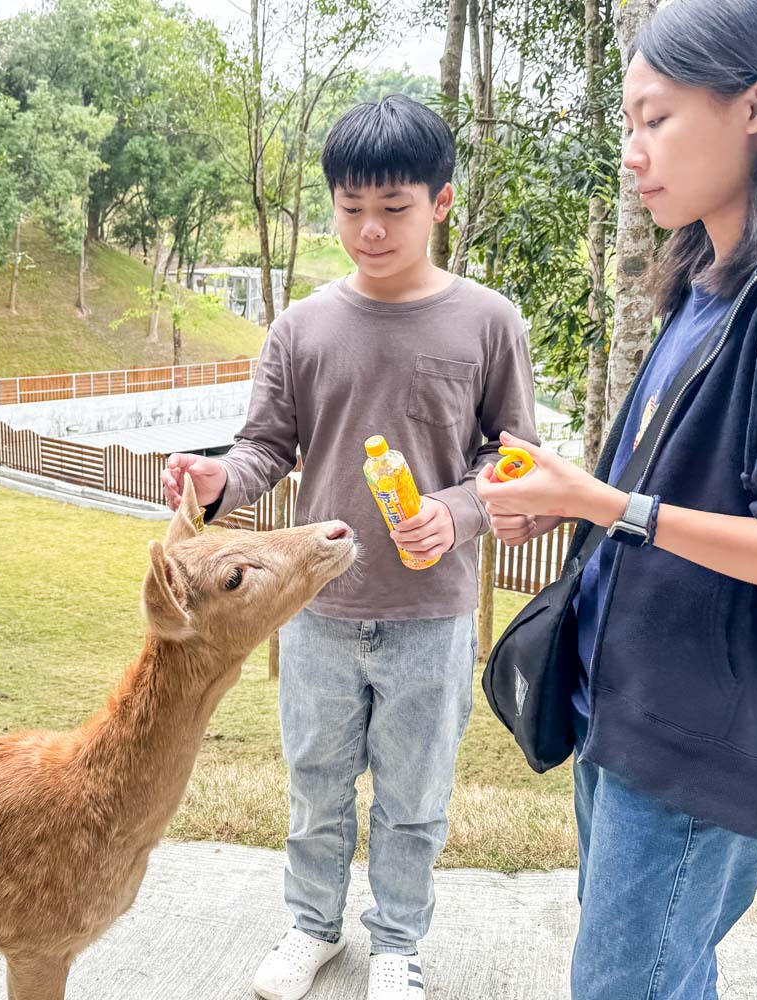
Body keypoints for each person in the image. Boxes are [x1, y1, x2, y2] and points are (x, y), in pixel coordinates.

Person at [478, 2, 757, 997]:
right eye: (626, 126)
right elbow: (662, 488)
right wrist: (566, 497)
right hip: (622, 696)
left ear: (755, 107)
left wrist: (604, 505)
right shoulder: (705, 281)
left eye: (655, 119)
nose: (632, 155)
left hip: (707, 728)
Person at [162, 94, 537, 1000]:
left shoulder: (489, 323)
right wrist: (219, 481)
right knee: (315, 788)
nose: (369, 231)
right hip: (314, 612)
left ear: (440, 202)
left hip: (431, 613)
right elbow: (265, 449)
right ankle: (310, 931)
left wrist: (458, 511)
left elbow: (514, 462)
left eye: (394, 209)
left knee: (413, 804)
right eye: (350, 209)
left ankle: (398, 946)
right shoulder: (300, 327)